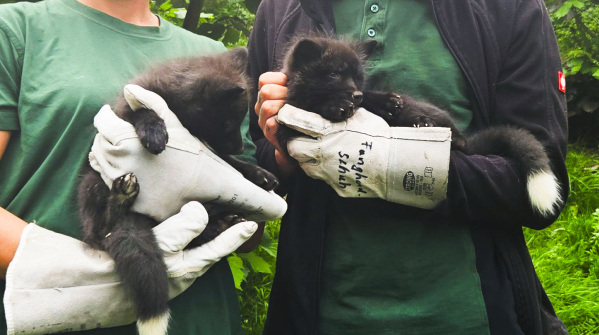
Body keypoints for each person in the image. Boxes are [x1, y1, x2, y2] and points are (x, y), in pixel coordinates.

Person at [249, 0, 570, 334]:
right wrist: (283, 152)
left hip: (467, 315)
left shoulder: (508, 8)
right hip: (318, 315)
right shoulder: (279, 9)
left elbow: (540, 197)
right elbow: (250, 157)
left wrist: (387, 163)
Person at [0, 0, 268, 333]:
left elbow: (252, 224)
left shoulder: (217, 59)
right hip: (56, 314)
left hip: (198, 317)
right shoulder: (14, 30)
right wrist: (79, 272)